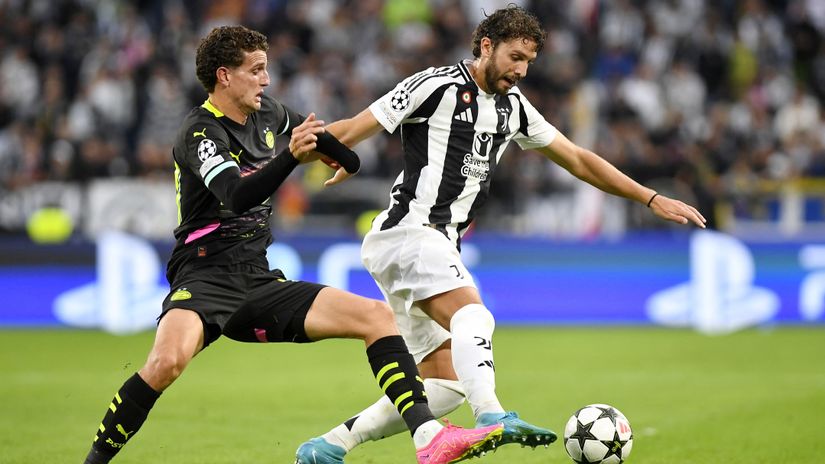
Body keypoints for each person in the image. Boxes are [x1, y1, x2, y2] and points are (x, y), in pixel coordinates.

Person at [295, 5, 707, 463]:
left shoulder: (515, 109)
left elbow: (577, 159)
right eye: (515, 57)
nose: (521, 70)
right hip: (410, 233)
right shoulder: (434, 86)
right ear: (486, 46)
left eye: (528, 61)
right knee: (474, 317)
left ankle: (328, 446)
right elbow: (351, 129)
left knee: (445, 385)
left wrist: (649, 197)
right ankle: (493, 416)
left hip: (431, 245)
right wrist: (289, 158)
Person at [81, 25, 505, 464]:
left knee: (377, 318)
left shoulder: (268, 113)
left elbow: (322, 139)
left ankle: (428, 436)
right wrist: (292, 157)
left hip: (258, 280)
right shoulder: (199, 132)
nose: (266, 80)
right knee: (166, 364)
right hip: (205, 278)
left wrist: (344, 159)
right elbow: (236, 195)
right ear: (224, 76)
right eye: (256, 70)